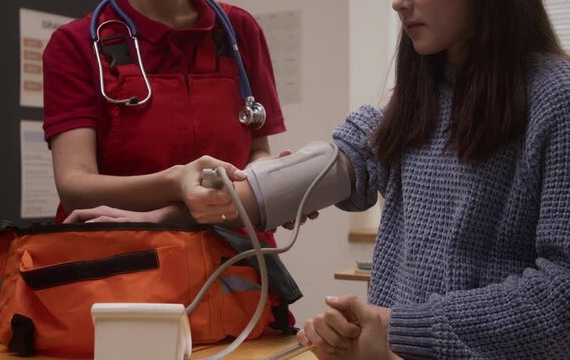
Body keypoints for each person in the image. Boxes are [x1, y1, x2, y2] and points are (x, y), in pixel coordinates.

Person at [297, 0, 570, 359]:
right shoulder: (422, 93)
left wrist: (393, 325)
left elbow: (562, 296)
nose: (398, 4)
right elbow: (357, 152)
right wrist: (253, 188)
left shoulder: (556, 97)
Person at [42, 0, 285, 227]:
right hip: (125, 254)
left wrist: (273, 184)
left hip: (236, 252)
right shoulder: (75, 42)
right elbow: (74, 189)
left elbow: (257, 150)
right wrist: (175, 183)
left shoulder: (239, 28)